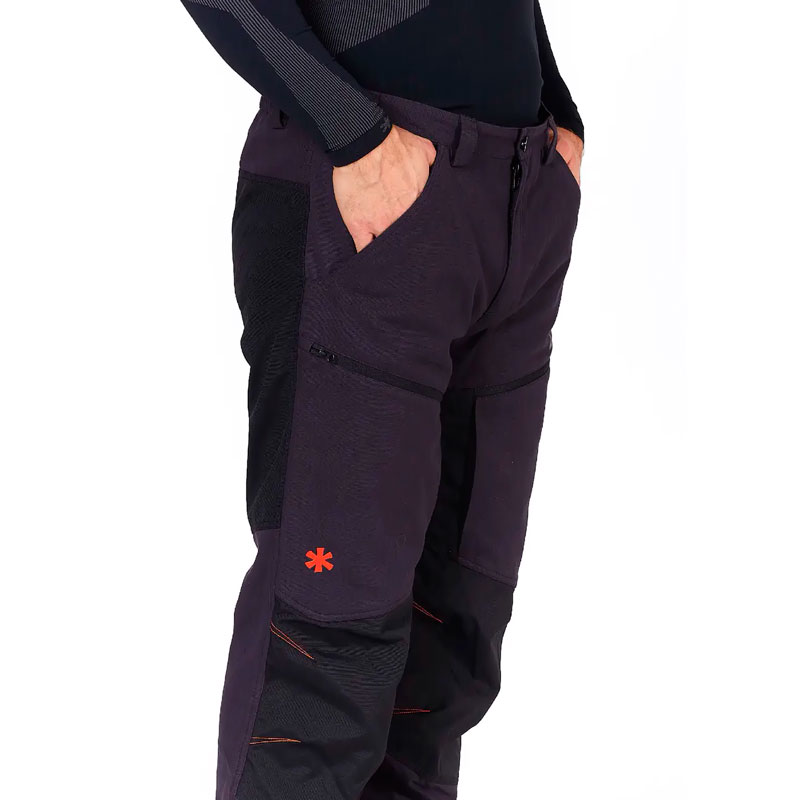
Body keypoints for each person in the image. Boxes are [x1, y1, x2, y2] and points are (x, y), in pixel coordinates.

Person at [180, 1, 583, 797]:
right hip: (368, 199)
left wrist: (556, 107)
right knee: (330, 637)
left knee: (455, 621)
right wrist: (353, 132)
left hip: (517, 192)